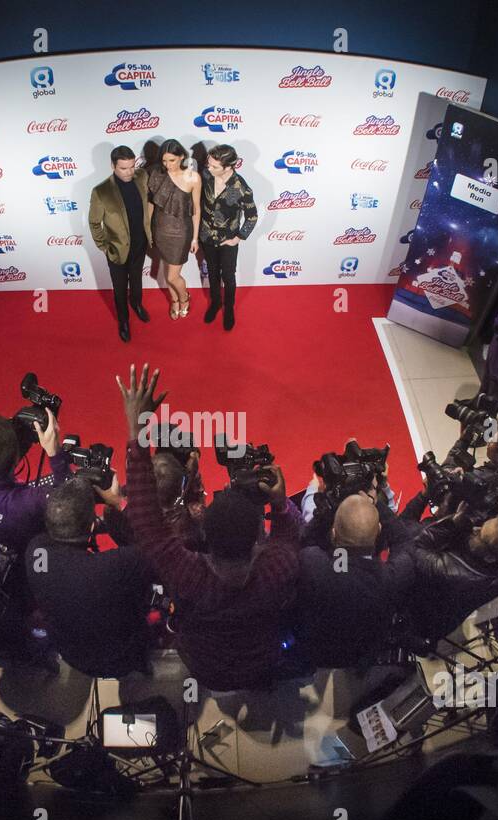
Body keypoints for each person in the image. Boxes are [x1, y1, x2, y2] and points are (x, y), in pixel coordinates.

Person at [119, 363, 303, 691]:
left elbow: (147, 524)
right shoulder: (279, 568)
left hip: (201, 666)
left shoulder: (188, 576)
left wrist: (138, 434)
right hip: (259, 664)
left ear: (207, 543)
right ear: (257, 541)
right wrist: (280, 504)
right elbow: (289, 537)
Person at [24, 477, 156, 677]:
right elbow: (154, 551)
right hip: (121, 656)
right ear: (93, 527)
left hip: (70, 653)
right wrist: (117, 505)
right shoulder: (115, 566)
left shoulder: (35, 550)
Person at [295, 493, 415, 668]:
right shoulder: (392, 578)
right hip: (363, 654)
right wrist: (378, 503)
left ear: (333, 533)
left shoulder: (314, 564)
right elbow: (405, 543)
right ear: (379, 530)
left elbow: (306, 540)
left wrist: (326, 512)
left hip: (318, 652)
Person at [400, 501, 498, 650]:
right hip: (449, 618)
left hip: (420, 617)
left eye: (479, 533)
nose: (475, 528)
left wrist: (453, 522)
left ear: (490, 557)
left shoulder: (447, 571)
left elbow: (413, 547)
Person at [0, 409, 71, 554]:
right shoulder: (28, 501)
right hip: (28, 552)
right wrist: (54, 452)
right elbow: (69, 496)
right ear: (16, 460)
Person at [88, 145, 153, 342]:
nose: (129, 172)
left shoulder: (141, 176)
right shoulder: (101, 191)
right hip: (116, 250)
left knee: (136, 280)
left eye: (132, 166)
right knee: (119, 288)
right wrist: (104, 247)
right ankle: (123, 321)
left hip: (140, 245)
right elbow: (94, 222)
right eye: (124, 168)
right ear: (113, 166)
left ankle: (137, 304)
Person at [199, 144, 257, 331]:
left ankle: (229, 308)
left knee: (228, 277)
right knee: (213, 274)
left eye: (214, 166)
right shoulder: (207, 176)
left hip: (227, 241)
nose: (209, 168)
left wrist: (238, 238)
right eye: (209, 164)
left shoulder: (240, 188)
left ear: (229, 166)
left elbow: (252, 216)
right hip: (207, 237)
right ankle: (215, 303)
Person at [147, 140, 200, 320]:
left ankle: (184, 298)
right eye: (164, 161)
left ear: (182, 157)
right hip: (160, 230)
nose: (167, 165)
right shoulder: (156, 175)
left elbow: (196, 210)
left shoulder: (193, 177)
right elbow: (151, 205)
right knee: (166, 268)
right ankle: (174, 300)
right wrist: (147, 229)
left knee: (171, 276)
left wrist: (195, 238)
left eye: (172, 160)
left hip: (181, 232)